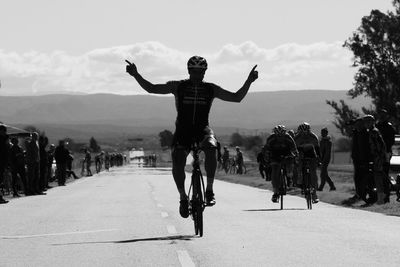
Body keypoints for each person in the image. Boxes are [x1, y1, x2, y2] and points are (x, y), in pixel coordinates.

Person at [126, 56, 258, 218]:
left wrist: (249, 81)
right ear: (189, 71)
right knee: (178, 160)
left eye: (202, 71)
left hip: (203, 130)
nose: (198, 75)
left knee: (211, 147)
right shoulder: (178, 86)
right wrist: (136, 75)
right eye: (195, 71)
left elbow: (236, 97)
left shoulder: (211, 89)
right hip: (183, 131)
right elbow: (152, 88)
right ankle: (183, 197)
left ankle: (209, 190)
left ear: (205, 72)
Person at [264, 125, 297, 203]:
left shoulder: (288, 137)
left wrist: (295, 154)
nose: (280, 137)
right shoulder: (271, 138)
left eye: (281, 135)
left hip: (286, 154)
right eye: (278, 135)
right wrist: (267, 156)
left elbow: (294, 148)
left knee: (290, 164)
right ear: (275, 134)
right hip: (275, 155)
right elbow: (266, 148)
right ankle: (275, 193)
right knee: (275, 173)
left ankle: (289, 177)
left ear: (284, 133)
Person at [364, 115, 388, 204]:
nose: (366, 124)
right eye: (365, 122)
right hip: (376, 157)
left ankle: (381, 197)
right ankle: (380, 196)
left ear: (372, 122)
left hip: (377, 158)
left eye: (368, 122)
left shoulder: (374, 132)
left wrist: (379, 158)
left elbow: (380, 146)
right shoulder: (371, 131)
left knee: (378, 177)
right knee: (376, 177)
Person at [294, 122, 320, 203]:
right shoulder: (296, 138)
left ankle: (314, 194)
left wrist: (319, 160)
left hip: (311, 153)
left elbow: (318, 150)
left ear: (309, 131)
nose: (304, 134)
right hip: (300, 152)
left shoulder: (313, 137)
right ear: (299, 132)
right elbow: (294, 150)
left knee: (313, 173)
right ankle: (300, 181)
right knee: (298, 166)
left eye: (306, 132)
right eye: (302, 132)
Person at [376, 109, 396, 203]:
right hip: (377, 153)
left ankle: (386, 195)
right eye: (380, 115)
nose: (381, 117)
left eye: (383, 115)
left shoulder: (389, 127)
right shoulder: (377, 126)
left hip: (386, 153)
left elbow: (391, 141)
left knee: (384, 173)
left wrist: (383, 149)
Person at [0, 124, 10, 203]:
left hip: (3, 162)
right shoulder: (2, 140)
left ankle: (0, 197)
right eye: (4, 131)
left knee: (1, 180)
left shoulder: (4, 139)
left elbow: (7, 151)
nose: (5, 133)